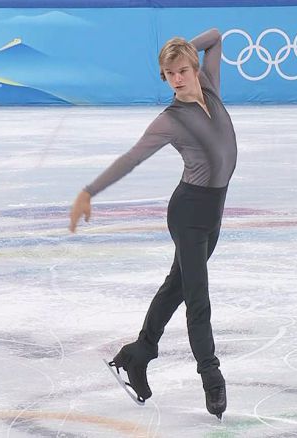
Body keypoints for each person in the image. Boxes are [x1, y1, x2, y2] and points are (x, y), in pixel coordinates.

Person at [68, 28, 237, 419]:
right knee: (197, 298)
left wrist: (184, 48)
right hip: (189, 214)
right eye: (169, 74)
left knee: (177, 286)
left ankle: (138, 353)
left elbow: (216, 37)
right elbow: (131, 159)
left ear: (194, 67)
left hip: (213, 213)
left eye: (182, 70)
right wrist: (88, 191)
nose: (176, 79)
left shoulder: (210, 87)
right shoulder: (170, 120)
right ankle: (211, 376)